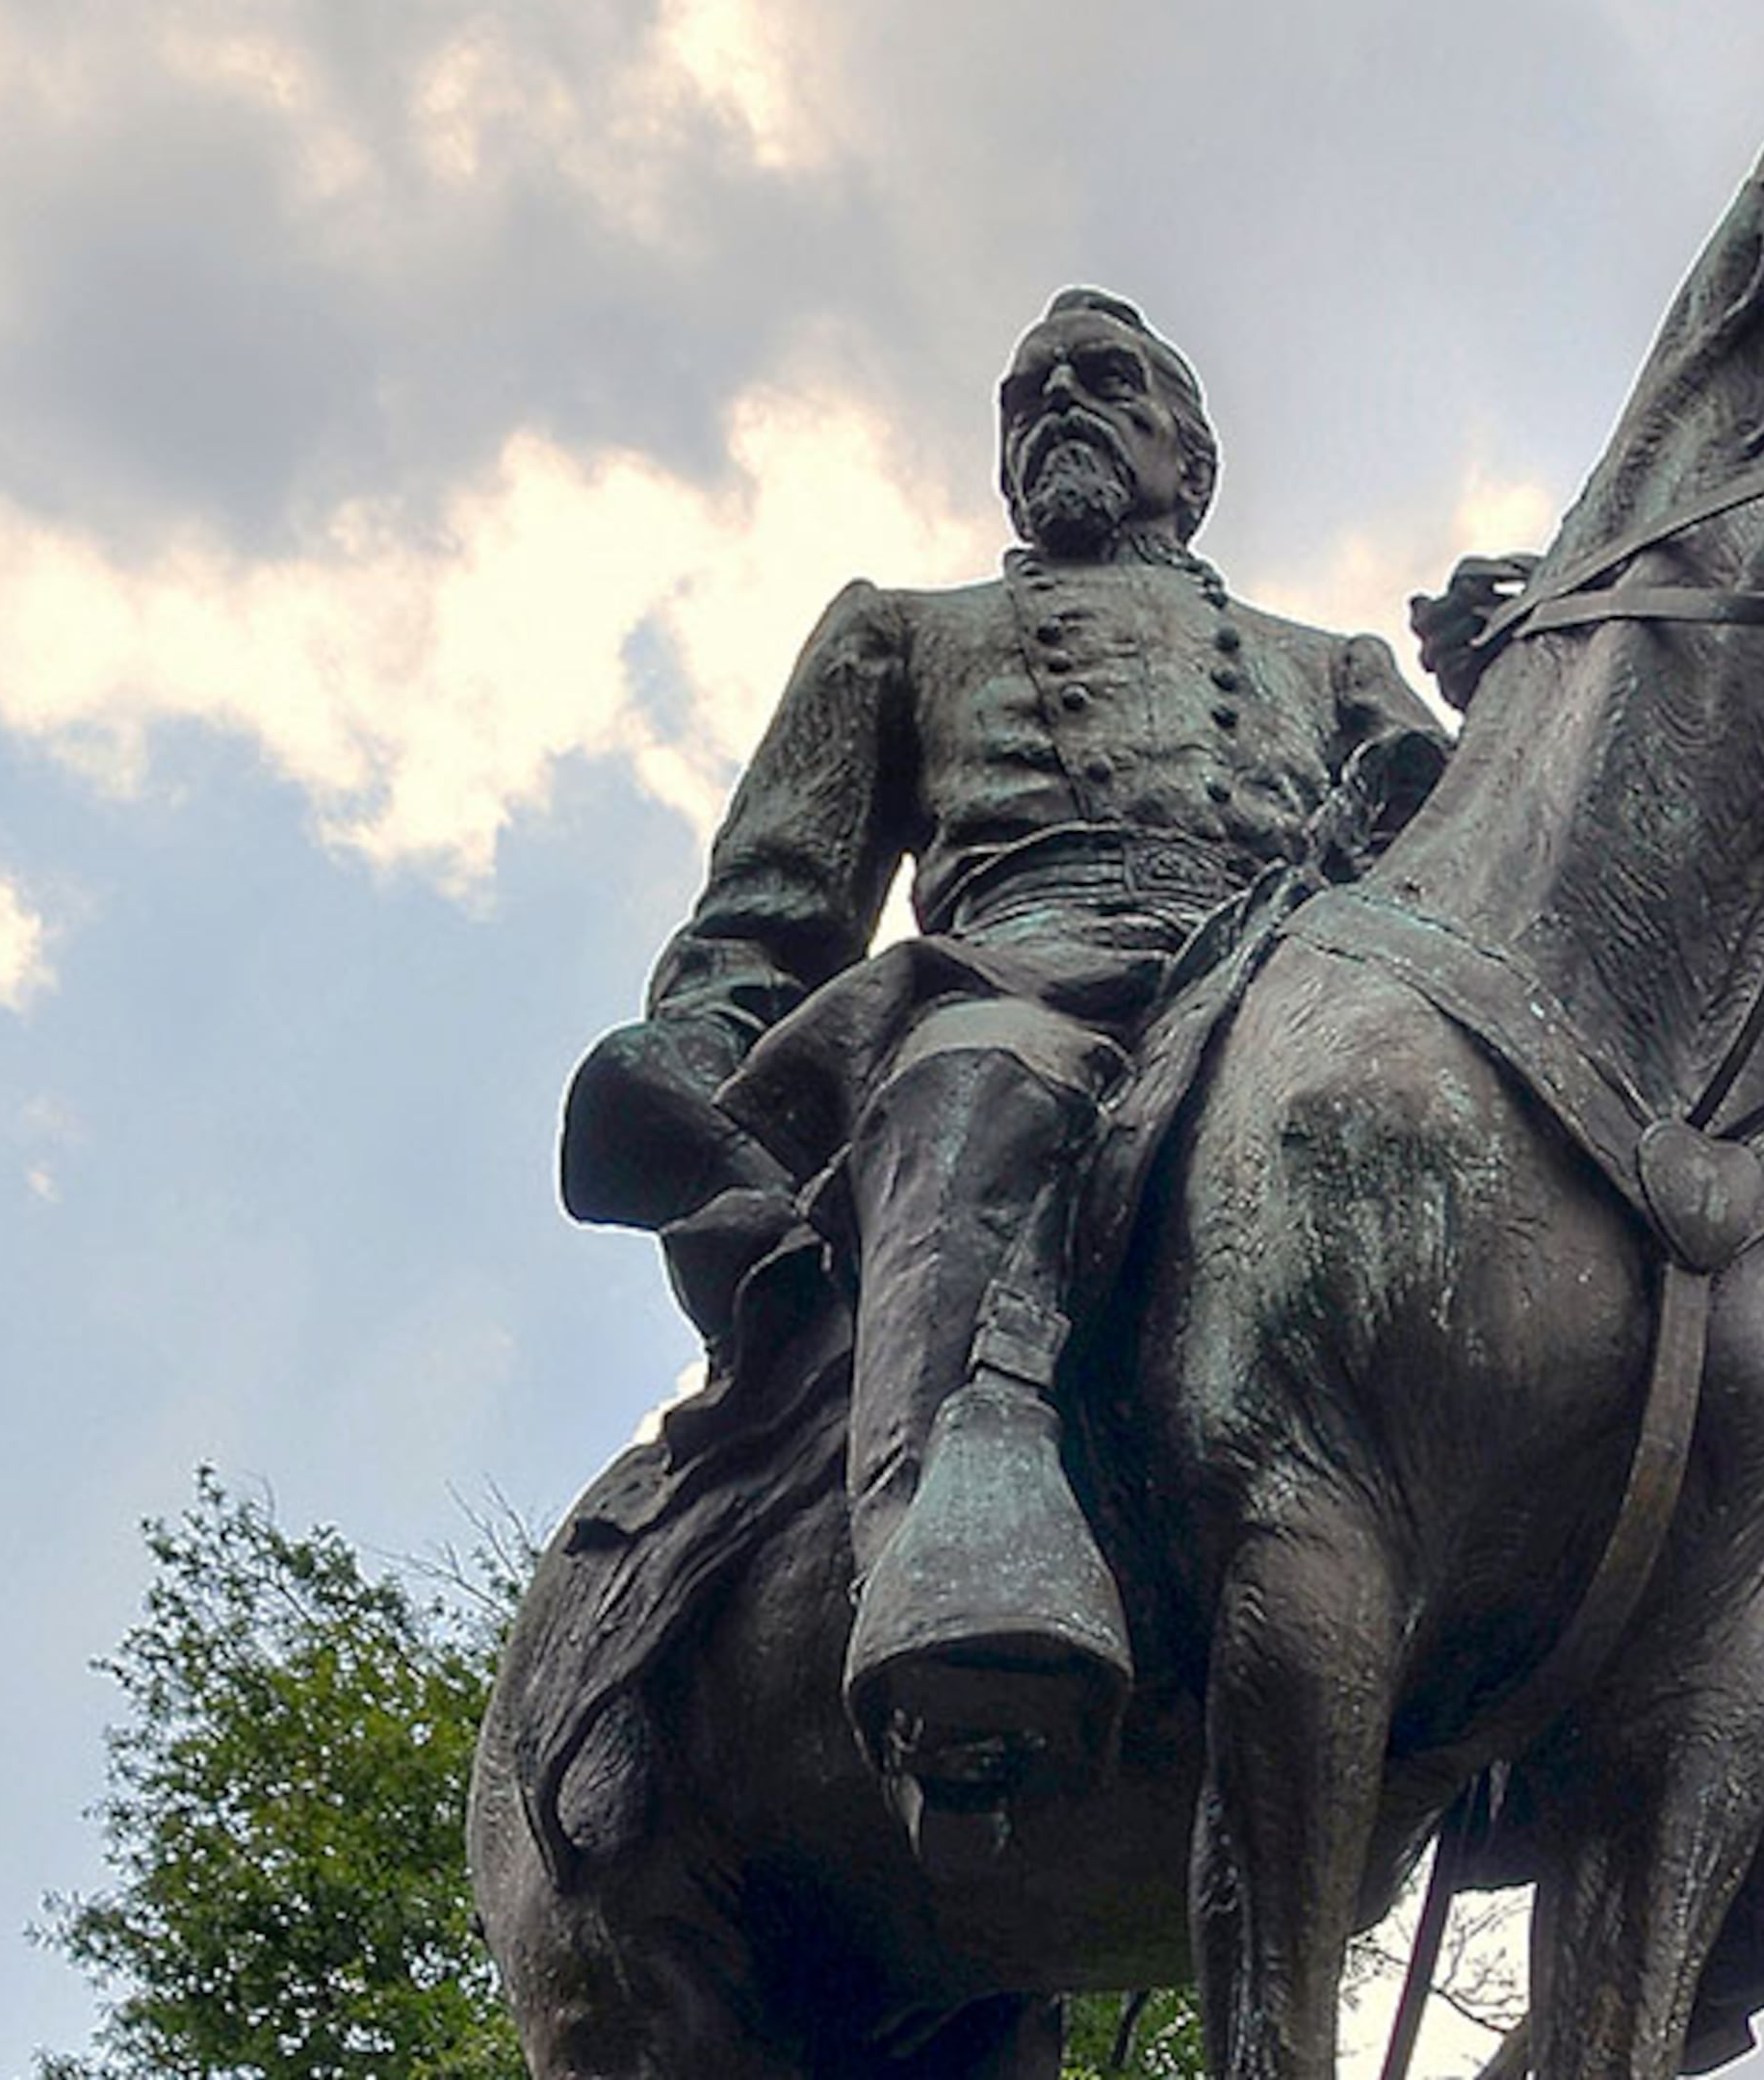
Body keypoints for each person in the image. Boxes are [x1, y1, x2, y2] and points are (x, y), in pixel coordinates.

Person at [557, 288, 1444, 1816]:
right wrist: (703, 1058)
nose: (1056, 411)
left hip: (1299, 983)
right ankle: (944, 1576)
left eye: (1104, 384)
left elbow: (1484, 873)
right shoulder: (903, 635)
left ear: (1193, 459)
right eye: (1025, 398)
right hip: (1013, 974)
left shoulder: (1334, 664)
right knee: (971, 1083)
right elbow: (772, 905)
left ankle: (1720, 1736)